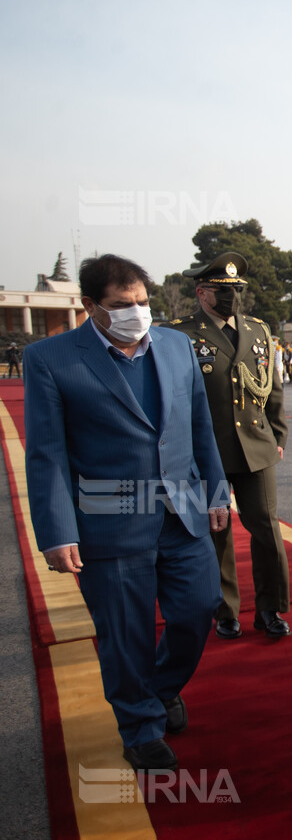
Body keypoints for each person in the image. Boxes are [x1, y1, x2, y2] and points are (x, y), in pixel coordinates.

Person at [24, 254, 228, 771]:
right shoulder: (51, 358)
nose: (136, 312)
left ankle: (160, 688)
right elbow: (46, 453)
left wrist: (217, 491)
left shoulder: (178, 346)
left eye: (142, 302)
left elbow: (200, 424)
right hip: (108, 521)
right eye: (122, 305)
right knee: (125, 632)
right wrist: (55, 532)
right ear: (90, 306)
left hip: (181, 514)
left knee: (199, 609)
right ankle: (139, 726)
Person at [166, 253, 291, 639]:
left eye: (236, 290)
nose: (231, 297)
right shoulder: (180, 335)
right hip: (209, 452)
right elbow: (174, 400)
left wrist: (278, 435)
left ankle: (270, 608)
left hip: (256, 446)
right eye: (222, 291)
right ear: (202, 293)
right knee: (216, 532)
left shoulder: (257, 330)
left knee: (267, 530)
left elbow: (273, 390)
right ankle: (225, 610)